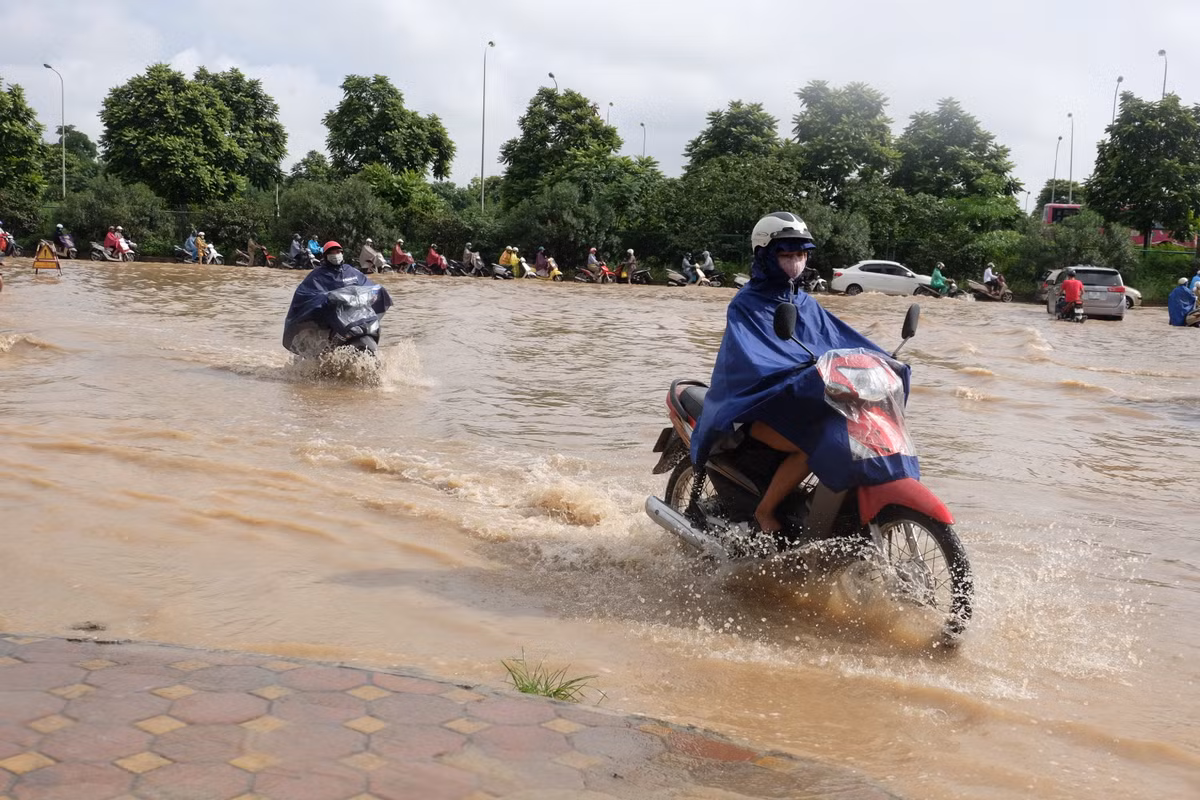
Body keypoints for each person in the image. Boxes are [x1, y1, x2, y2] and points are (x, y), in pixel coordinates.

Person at [691, 212, 915, 534]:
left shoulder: (804, 302)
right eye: (786, 254)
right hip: (754, 407)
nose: (795, 261)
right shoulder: (746, 304)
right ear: (765, 255)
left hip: (799, 400)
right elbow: (755, 361)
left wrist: (884, 360)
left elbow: (840, 341)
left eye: (800, 254)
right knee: (812, 444)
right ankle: (764, 512)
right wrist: (802, 373)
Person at [282, 241, 394, 354]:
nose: (336, 254)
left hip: (356, 313)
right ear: (325, 256)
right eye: (332, 252)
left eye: (338, 251)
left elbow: (366, 284)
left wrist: (376, 291)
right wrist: (325, 298)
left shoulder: (350, 271)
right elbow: (306, 295)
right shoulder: (317, 275)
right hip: (331, 316)